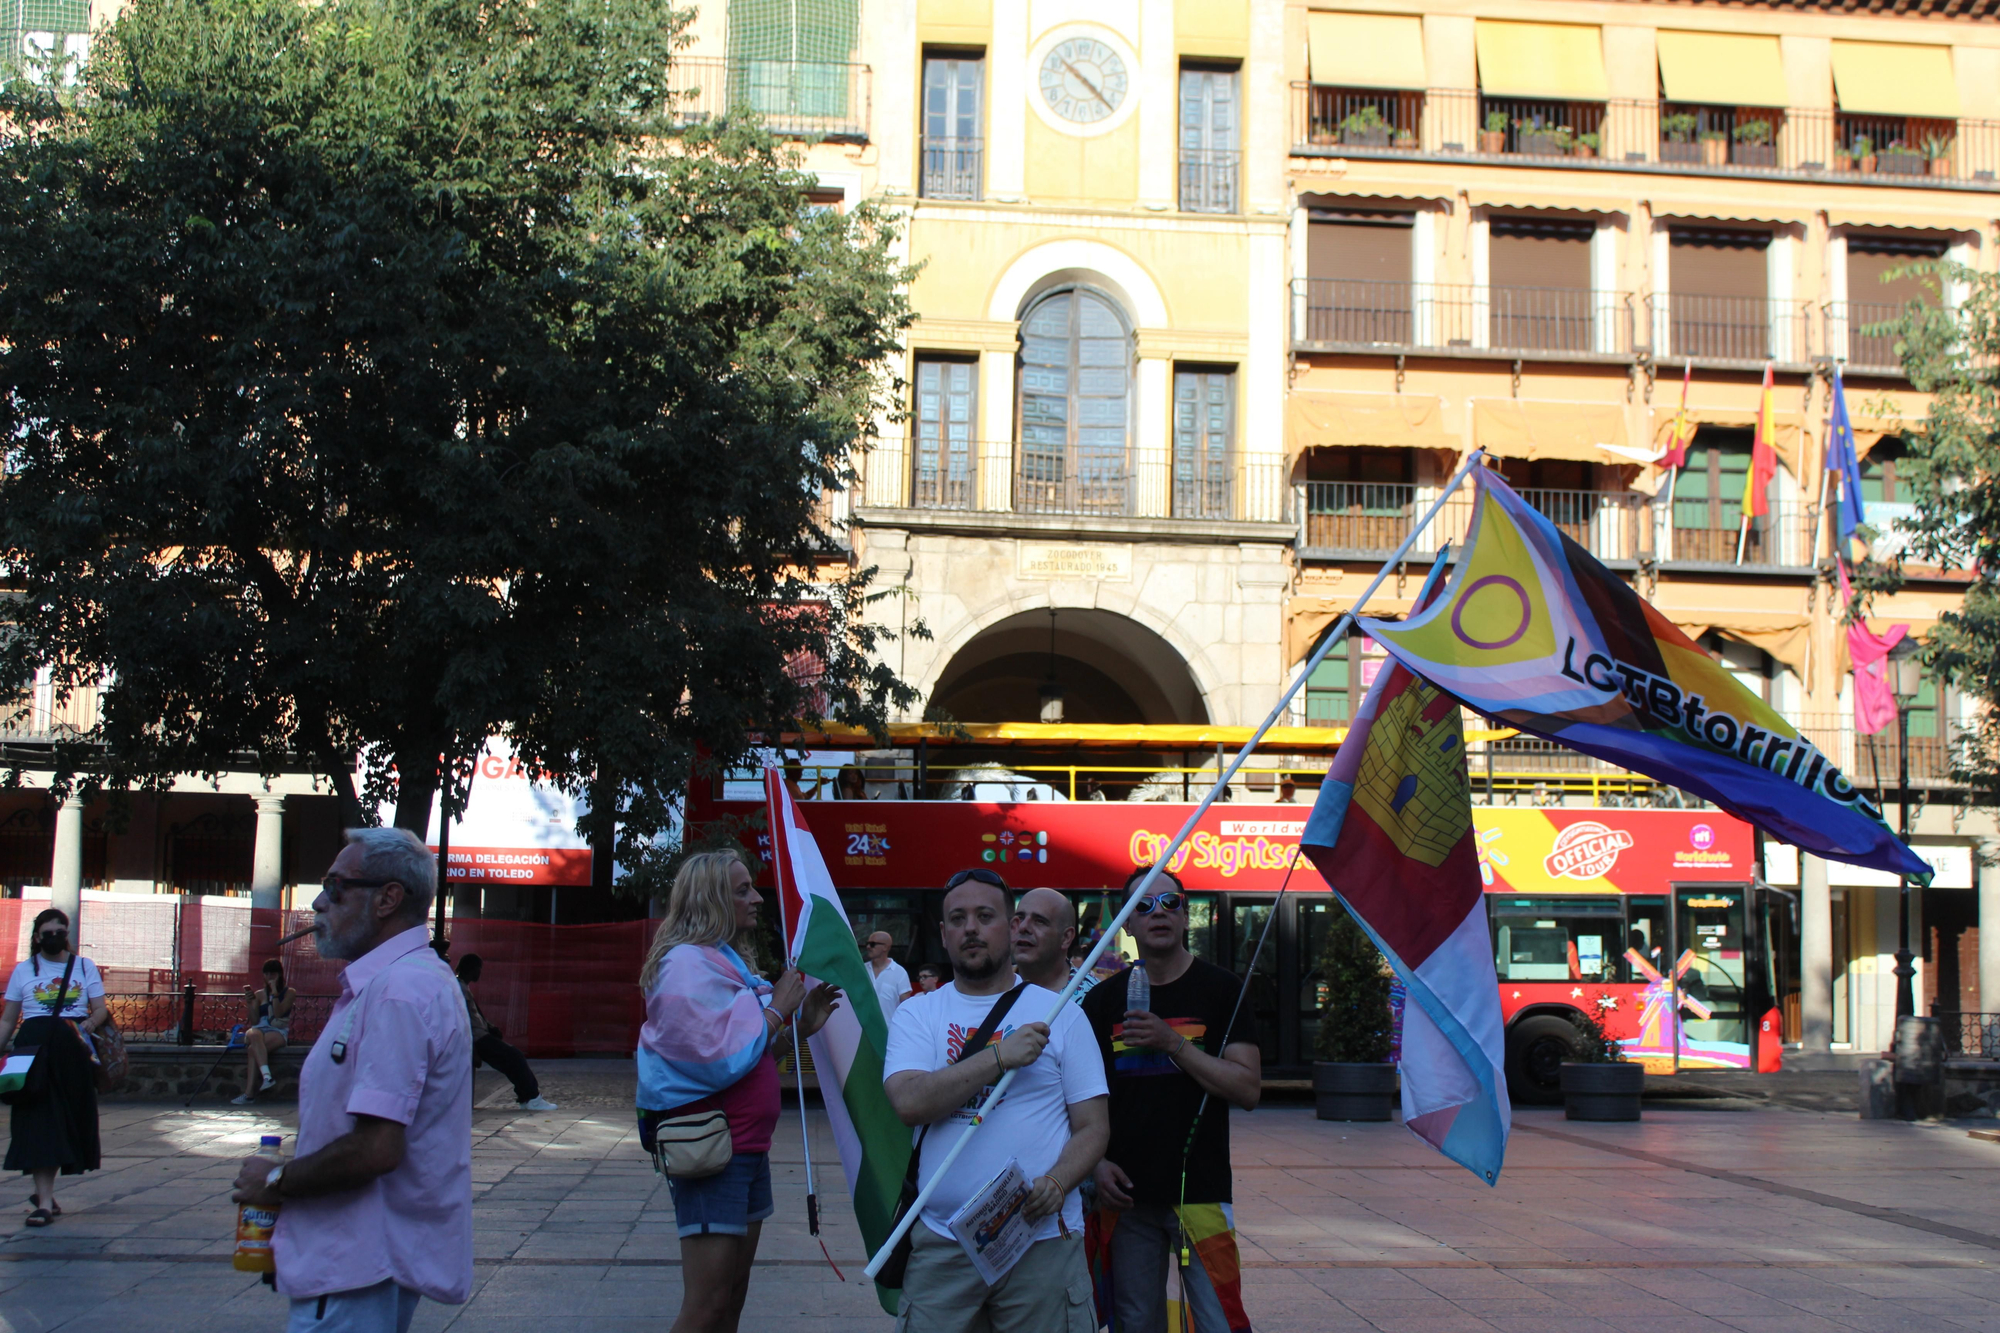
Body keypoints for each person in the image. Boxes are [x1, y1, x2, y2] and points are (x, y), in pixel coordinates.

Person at [230, 827, 475, 1333]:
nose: (319, 902)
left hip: (356, 1266)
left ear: (388, 898)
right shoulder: (391, 984)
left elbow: (377, 1148)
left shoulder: (399, 991)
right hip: (352, 1259)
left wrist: (274, 1180)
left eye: (336, 886)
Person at [884, 868, 1108, 1333]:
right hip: (942, 1245)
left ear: (1012, 927)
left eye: (986, 916)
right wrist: (999, 1057)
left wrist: (1059, 1181)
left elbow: (1093, 1126)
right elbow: (909, 1101)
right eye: (958, 918)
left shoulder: (1061, 1015)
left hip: (1041, 1242)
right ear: (943, 935)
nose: (971, 928)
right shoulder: (918, 1013)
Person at [636, 850, 839, 1333]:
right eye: (743, 889)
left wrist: (798, 1027)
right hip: (714, 1151)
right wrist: (776, 1011)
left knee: (730, 1299)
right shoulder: (686, 967)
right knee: (707, 1306)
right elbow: (712, 1058)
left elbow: (750, 1057)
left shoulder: (721, 963)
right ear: (711, 899)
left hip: (743, 1148)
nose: (757, 898)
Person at [1082, 868, 1262, 1333]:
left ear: (1186, 915)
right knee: (1135, 1322)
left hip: (1200, 1191)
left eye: (1170, 903)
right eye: (1142, 905)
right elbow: (1082, 1099)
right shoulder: (1101, 1002)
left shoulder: (1222, 989)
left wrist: (1173, 1043)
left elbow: (1247, 1089)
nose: (1157, 913)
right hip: (1124, 1196)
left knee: (1220, 1321)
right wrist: (1097, 1162)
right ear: (1127, 923)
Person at [0, 907, 109, 1227]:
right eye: (47, 934)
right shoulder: (24, 970)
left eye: (59, 932)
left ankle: (45, 1195)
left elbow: (100, 1008)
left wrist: (89, 1023)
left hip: (71, 1050)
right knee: (37, 1121)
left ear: (67, 935)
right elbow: (8, 1019)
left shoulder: (84, 967)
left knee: (68, 1120)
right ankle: (44, 1201)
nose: (54, 938)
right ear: (37, 937)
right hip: (31, 1051)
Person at [455, 955, 557, 1112]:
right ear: (473, 969)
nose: (480, 973)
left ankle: (527, 1097)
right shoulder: (459, 989)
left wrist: (489, 1026)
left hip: (481, 1035)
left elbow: (476, 1015)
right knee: (515, 1057)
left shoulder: (463, 987)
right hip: (478, 1038)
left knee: (511, 1061)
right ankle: (532, 1097)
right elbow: (464, 1018)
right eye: (479, 969)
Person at [1012, 888, 1095, 1003]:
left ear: (1066, 937)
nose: (1023, 927)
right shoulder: (989, 986)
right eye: (1019, 918)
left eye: (1039, 921)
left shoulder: (1094, 998)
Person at [232, 959, 295, 1105]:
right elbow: (254, 1021)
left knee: (253, 1049)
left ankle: (249, 1094)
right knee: (254, 1034)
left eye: (272, 974)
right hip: (259, 1029)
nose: (269, 977)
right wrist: (250, 1004)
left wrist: (274, 993)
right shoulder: (259, 994)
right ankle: (267, 1076)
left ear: (279, 974)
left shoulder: (289, 992)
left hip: (277, 1030)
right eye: (266, 974)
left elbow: (279, 1013)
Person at [862, 930, 910, 1022]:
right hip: (864, 1032)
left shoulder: (900, 973)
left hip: (889, 1032)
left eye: (872, 944)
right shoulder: (862, 970)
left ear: (885, 947)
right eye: (867, 944)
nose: (868, 947)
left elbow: (905, 1006)